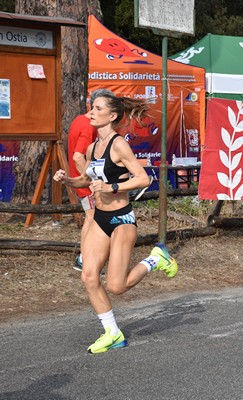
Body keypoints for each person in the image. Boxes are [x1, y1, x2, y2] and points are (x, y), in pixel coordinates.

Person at [53, 92, 178, 353]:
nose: (90, 112)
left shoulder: (119, 144)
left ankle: (155, 259)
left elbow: (143, 179)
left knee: (116, 286)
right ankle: (113, 333)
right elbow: (86, 180)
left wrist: (112, 186)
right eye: (91, 108)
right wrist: (67, 180)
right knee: (88, 276)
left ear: (111, 116)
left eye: (97, 109)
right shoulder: (91, 148)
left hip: (121, 219)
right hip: (100, 219)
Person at [68, 89, 113, 271]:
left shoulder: (80, 119)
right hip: (86, 185)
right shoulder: (88, 126)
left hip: (83, 183)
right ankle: (85, 259)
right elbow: (78, 156)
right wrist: (90, 180)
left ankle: (85, 258)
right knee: (94, 220)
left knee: (91, 219)